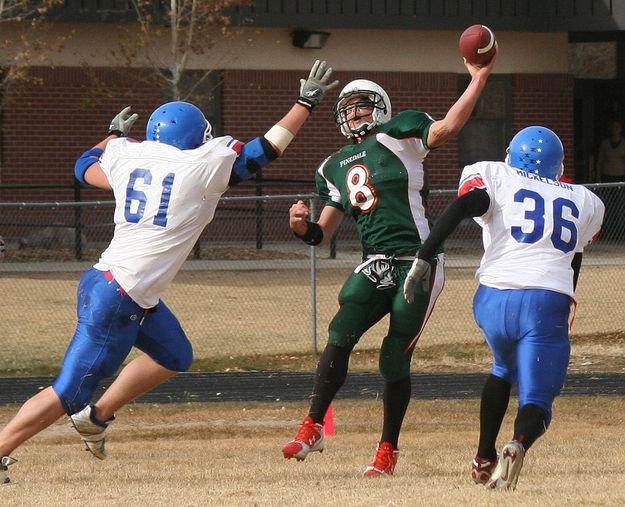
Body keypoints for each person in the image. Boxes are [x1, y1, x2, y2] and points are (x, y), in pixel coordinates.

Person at [0, 60, 338, 485]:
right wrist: (304, 103)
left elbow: (83, 167)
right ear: (198, 137)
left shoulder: (129, 156)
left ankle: (96, 418)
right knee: (68, 391)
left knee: (174, 355)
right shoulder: (202, 166)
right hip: (119, 294)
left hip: (114, 285)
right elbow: (265, 149)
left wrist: (113, 136)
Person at [281, 53, 497, 477]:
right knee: (340, 330)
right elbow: (322, 234)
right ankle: (313, 426)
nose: (354, 112)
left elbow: (448, 127)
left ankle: (387, 449)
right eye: (347, 108)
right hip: (376, 262)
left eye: (361, 104)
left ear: (379, 107)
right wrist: (300, 226)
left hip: (419, 259)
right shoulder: (332, 167)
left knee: (393, 357)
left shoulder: (401, 132)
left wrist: (479, 78)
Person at [403, 126, 605, 490]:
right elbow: (575, 257)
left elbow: (465, 204)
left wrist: (424, 254)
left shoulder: (495, 173)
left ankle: (483, 456)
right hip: (545, 300)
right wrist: (566, 300)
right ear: (557, 165)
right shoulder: (586, 199)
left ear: (513, 153)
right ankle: (518, 444)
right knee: (538, 399)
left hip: (493, 299)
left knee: (502, 368)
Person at [596, 119, 625, 239]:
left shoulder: (624, 143)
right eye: (613, 127)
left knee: (620, 206)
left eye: (617, 127)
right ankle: (608, 232)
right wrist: (597, 176)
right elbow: (600, 160)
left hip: (621, 176)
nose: (615, 129)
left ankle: (619, 231)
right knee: (607, 205)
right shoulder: (605, 144)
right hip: (607, 175)